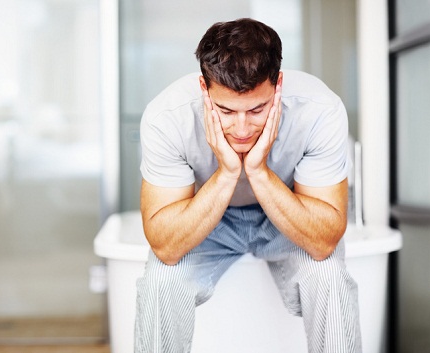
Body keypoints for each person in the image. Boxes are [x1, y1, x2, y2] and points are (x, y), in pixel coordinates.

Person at [135, 18, 361, 353]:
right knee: (161, 281)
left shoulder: (320, 111)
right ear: (204, 88)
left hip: (287, 213)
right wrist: (227, 173)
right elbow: (165, 246)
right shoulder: (167, 118)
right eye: (225, 111)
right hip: (208, 218)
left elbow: (324, 241)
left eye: (258, 109)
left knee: (329, 276)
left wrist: (257, 171)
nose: (242, 129)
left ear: (278, 84)